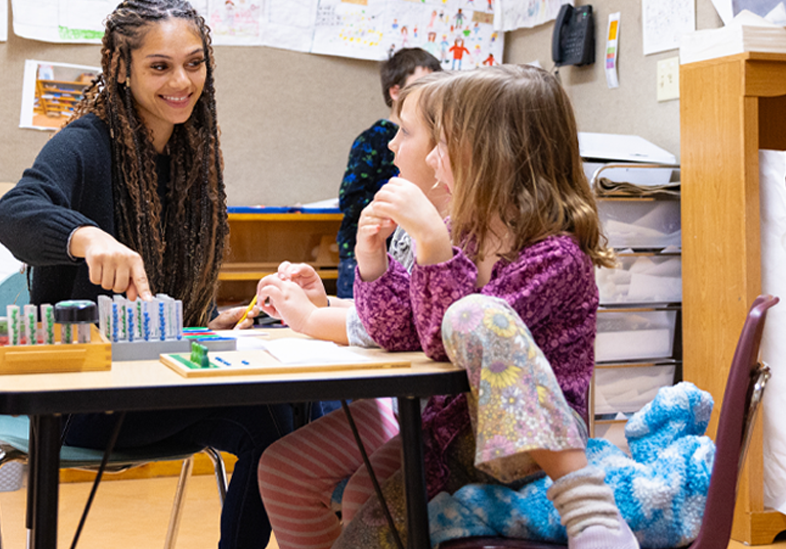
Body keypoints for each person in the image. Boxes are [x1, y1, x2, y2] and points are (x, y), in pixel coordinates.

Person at [257, 65, 640, 549]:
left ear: (491, 155)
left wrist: (434, 246)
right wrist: (372, 263)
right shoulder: (464, 232)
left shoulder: (554, 256)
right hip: (448, 444)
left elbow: (448, 341)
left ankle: (590, 508)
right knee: (360, 531)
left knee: (473, 315)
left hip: (527, 447)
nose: (433, 158)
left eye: (444, 143)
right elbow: (399, 331)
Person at [0, 0, 288, 549]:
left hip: (155, 381)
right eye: (160, 66)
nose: (182, 81)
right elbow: (11, 215)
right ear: (121, 70)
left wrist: (208, 323)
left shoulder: (193, 152)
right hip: (79, 397)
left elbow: (162, 303)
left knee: (293, 410)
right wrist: (84, 236)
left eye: (194, 64)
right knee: (270, 417)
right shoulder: (84, 143)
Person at [256, 70, 452, 346]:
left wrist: (310, 317)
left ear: (445, 150)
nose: (392, 143)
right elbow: (389, 313)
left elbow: (402, 328)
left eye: (405, 131)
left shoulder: (452, 234)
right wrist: (323, 304)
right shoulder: (408, 229)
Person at [335, 48, 440, 299]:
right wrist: (387, 214)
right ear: (395, 91)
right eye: (422, 84)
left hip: (407, 253)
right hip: (366, 254)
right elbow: (350, 197)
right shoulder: (373, 139)